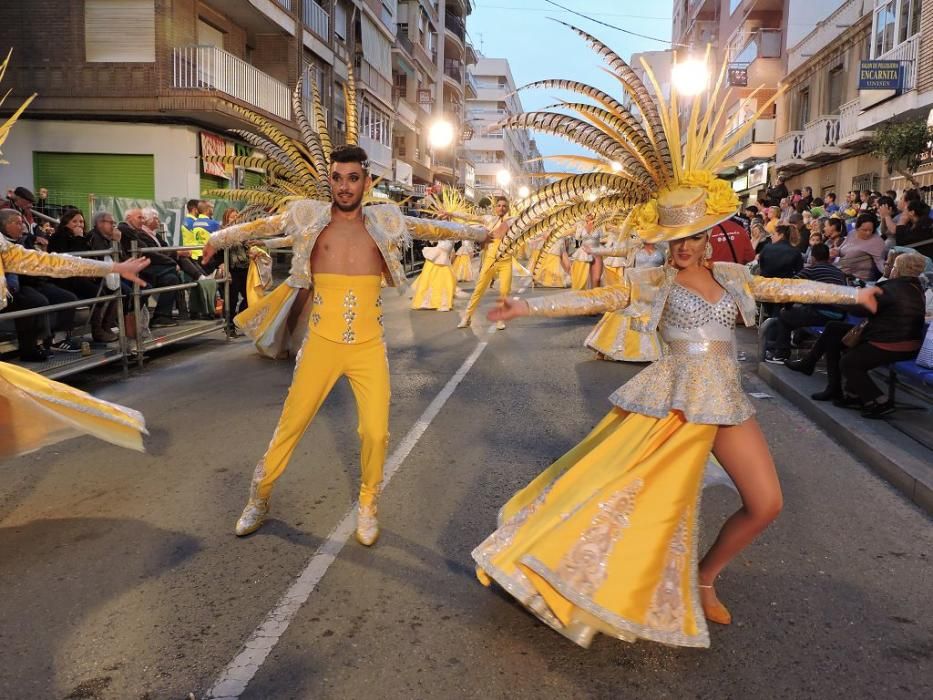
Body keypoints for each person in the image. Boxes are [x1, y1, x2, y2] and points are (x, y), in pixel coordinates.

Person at [468, 30, 881, 649]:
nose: (690, 245)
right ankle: (574, 576)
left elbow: (788, 289)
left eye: (700, 234)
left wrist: (856, 296)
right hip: (674, 405)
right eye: (678, 237)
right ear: (665, 241)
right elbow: (600, 297)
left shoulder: (736, 275)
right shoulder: (654, 281)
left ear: (713, 234)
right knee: (626, 500)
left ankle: (707, 576)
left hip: (726, 403)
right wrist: (526, 304)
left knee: (766, 503)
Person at [201, 145, 488, 543]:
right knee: (291, 426)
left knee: (375, 432)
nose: (344, 186)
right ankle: (259, 498)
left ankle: (369, 504)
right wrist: (220, 237)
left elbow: (433, 229)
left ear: (366, 182)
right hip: (321, 343)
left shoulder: (385, 220)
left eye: (353, 178)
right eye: (337, 178)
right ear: (330, 181)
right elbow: (265, 225)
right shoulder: (308, 216)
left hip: (369, 346)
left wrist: (483, 232)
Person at [786, 253, 926, 417]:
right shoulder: (915, 288)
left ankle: (878, 401)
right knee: (833, 330)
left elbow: (860, 310)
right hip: (901, 339)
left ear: (899, 269)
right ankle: (832, 386)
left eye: (892, 265)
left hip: (891, 342)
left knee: (849, 362)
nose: (889, 267)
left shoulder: (892, 289)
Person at [0, 208, 85, 354]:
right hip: (19, 285)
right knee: (37, 301)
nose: (22, 227)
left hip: (37, 281)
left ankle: (59, 339)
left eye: (22, 223)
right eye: (17, 223)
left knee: (68, 297)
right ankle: (35, 344)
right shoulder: (4, 244)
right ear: (4, 225)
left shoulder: (26, 240)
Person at [764, 243, 849, 363]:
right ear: (828, 257)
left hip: (822, 313)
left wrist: (787, 306)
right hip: (840, 315)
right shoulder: (838, 272)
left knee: (784, 315)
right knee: (801, 311)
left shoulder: (811, 269)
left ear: (813, 257)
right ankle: (797, 341)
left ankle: (781, 354)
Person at [458, 196, 515, 330]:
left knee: (505, 291)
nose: (502, 208)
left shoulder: (513, 221)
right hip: (490, 260)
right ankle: (467, 317)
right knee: (479, 289)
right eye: (499, 205)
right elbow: (469, 217)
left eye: (504, 206)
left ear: (508, 208)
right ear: (495, 207)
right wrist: (450, 213)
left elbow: (531, 220)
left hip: (506, 261)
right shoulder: (489, 219)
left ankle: (500, 319)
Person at [119, 208, 181, 328]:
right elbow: (147, 252)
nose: (142, 221)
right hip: (139, 268)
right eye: (139, 218)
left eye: (143, 217)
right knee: (171, 270)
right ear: (128, 218)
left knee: (171, 278)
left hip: (146, 265)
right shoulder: (125, 229)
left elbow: (163, 249)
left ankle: (161, 316)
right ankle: (129, 318)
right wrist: (172, 262)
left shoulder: (137, 231)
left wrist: (172, 258)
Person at [410, 239, 459, 311]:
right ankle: (433, 301)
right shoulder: (444, 233)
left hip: (443, 256)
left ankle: (439, 301)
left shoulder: (452, 235)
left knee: (441, 279)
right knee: (433, 278)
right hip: (439, 255)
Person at [836, 213, 886, 282]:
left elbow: (880, 262)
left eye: (870, 230)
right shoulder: (852, 233)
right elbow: (840, 249)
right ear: (857, 228)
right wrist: (835, 251)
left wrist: (888, 271)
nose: (868, 233)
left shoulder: (877, 242)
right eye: (864, 230)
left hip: (857, 280)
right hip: (840, 273)